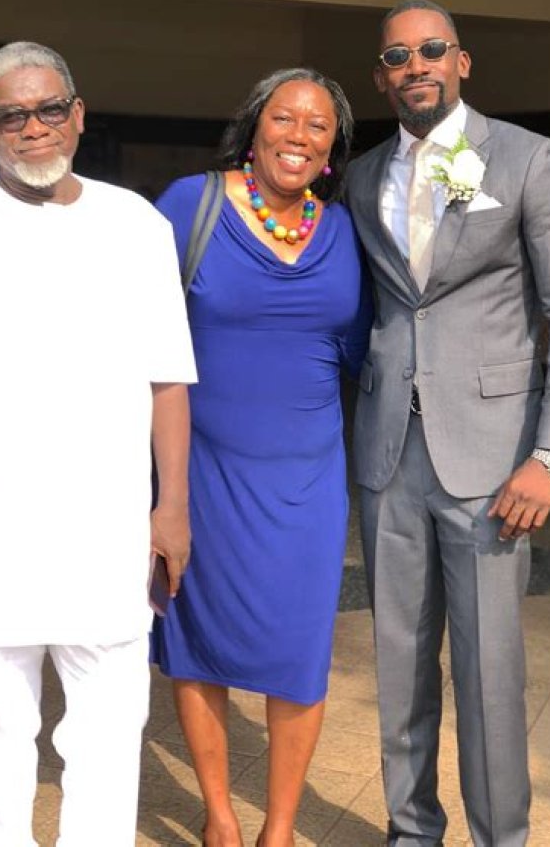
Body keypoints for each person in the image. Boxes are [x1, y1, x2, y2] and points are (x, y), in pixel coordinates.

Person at [0, 41, 197, 846]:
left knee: (112, 727)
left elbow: (169, 377)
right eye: (12, 116)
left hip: (106, 524)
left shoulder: (136, 224)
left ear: (78, 115)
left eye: (50, 108)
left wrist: (172, 505)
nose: (34, 128)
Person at [345, 0, 550, 846]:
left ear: (461, 61)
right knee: (398, 662)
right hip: (389, 451)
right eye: (397, 56)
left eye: (431, 49)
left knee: (490, 668)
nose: (414, 65)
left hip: (494, 462)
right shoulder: (362, 176)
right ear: (381, 76)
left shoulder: (529, 159)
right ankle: (412, 830)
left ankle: (502, 837)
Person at [151, 68, 372, 847]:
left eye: (318, 126)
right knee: (197, 640)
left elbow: (364, 348)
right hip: (203, 472)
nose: (298, 136)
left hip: (309, 479)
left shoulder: (344, 230)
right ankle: (219, 816)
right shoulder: (191, 205)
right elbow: (136, 328)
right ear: (255, 127)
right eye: (285, 118)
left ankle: (278, 829)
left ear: (333, 148)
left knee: (300, 649)